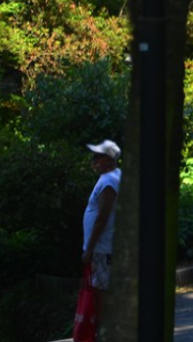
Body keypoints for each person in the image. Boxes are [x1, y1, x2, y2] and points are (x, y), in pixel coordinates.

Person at [76, 140, 121, 341]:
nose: (93, 161)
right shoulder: (111, 178)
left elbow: (102, 218)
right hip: (105, 249)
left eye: (97, 157)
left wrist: (89, 249)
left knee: (102, 295)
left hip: (102, 250)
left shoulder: (109, 181)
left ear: (109, 161)